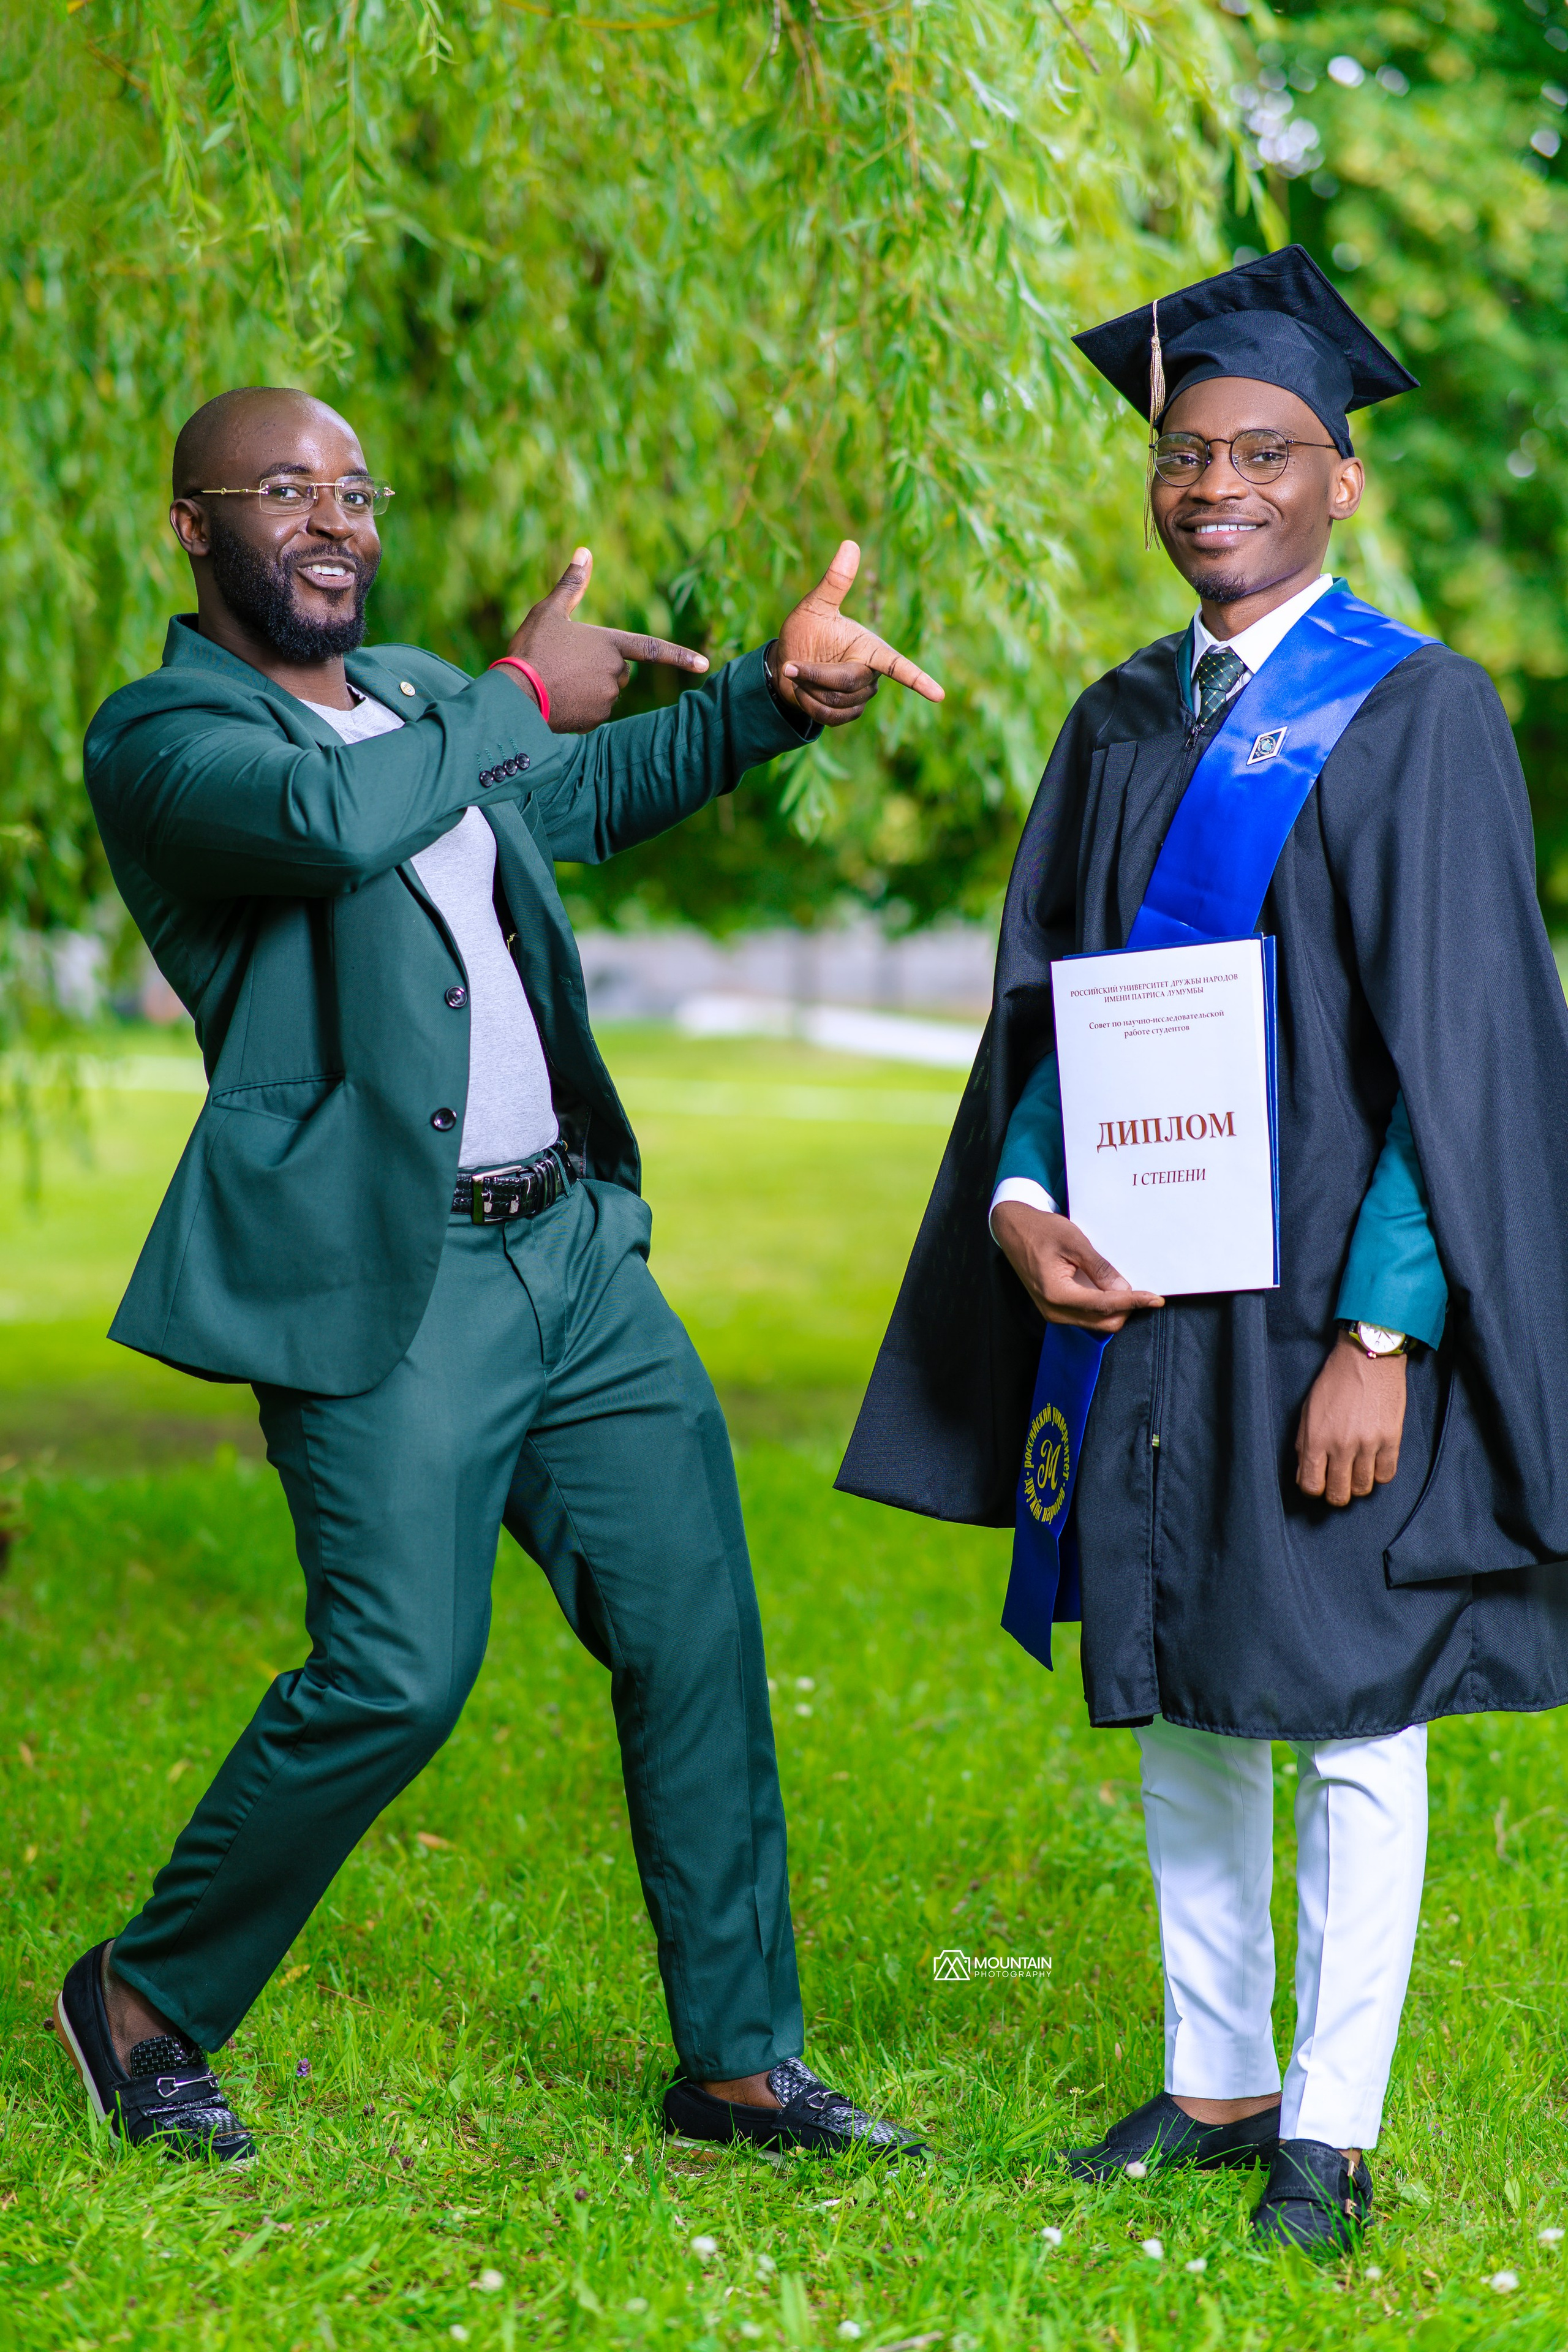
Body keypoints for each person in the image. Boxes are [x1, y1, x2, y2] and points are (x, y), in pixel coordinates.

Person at [57, 384, 943, 2166]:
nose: (335, 524)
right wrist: (514, 692)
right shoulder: (163, 735)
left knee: (695, 1632)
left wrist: (775, 702)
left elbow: (583, 795)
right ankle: (142, 2002)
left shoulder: (409, 702)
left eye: (357, 492)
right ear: (194, 528)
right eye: (285, 492)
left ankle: (740, 2065)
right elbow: (334, 831)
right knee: (393, 1674)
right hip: (387, 1283)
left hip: (574, 1255)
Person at [838, 247, 1568, 2250]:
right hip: (1155, 1291)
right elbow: (1065, 1011)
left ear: (1342, 480)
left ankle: (1330, 2127)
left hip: (1329, 1297)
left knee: (1348, 1701)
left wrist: (1388, 1332)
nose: (1210, 483)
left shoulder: (1421, 714)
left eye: (1259, 449)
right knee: (1183, 1683)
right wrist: (1019, 1203)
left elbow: (1470, 1051)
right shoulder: (1119, 720)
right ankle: (1218, 2078)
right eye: (1182, 451)